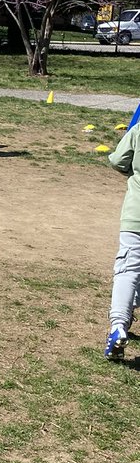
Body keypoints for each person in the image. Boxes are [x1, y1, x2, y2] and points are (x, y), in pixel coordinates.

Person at [104, 122, 140, 361]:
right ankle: (127, 314)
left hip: (136, 216)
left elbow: (118, 160)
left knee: (128, 270)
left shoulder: (138, 130)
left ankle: (118, 325)